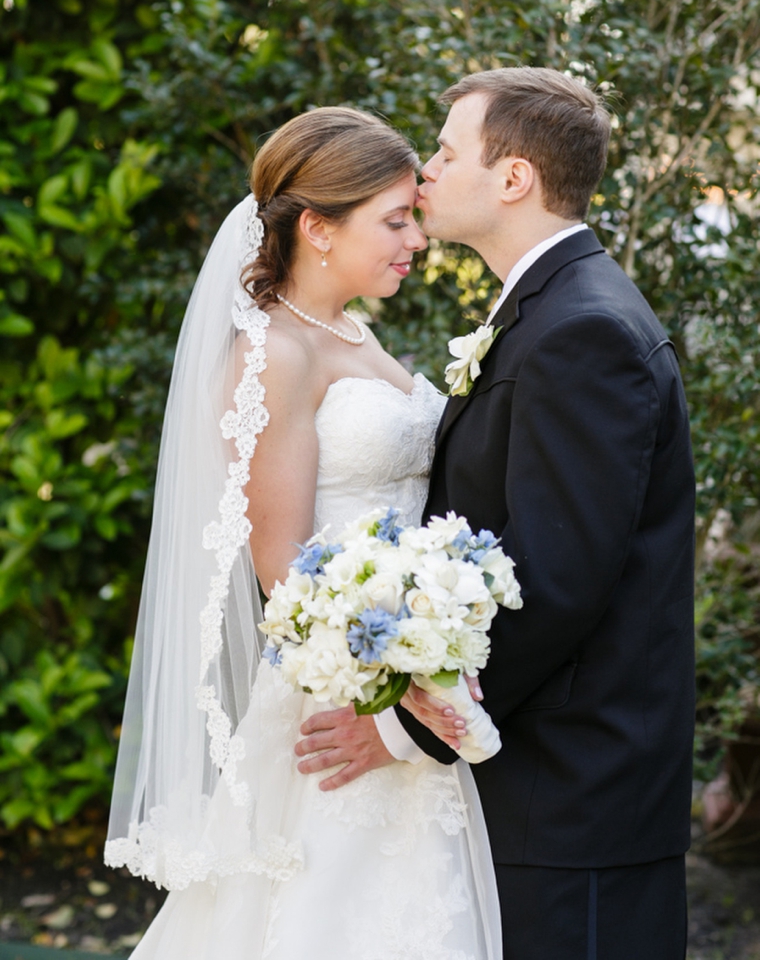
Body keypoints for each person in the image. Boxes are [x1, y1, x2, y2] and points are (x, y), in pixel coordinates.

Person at [303, 69, 696, 959]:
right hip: (532, 793)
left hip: (573, 801)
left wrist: (400, 726)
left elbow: (555, 581)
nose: (426, 172)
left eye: (446, 152)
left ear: (513, 178)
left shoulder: (583, 333)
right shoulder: (547, 311)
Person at [105, 106, 502, 959]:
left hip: (404, 681)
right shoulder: (272, 354)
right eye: (395, 221)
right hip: (343, 700)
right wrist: (393, 680)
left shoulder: (353, 332)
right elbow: (279, 563)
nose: (417, 241)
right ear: (318, 227)